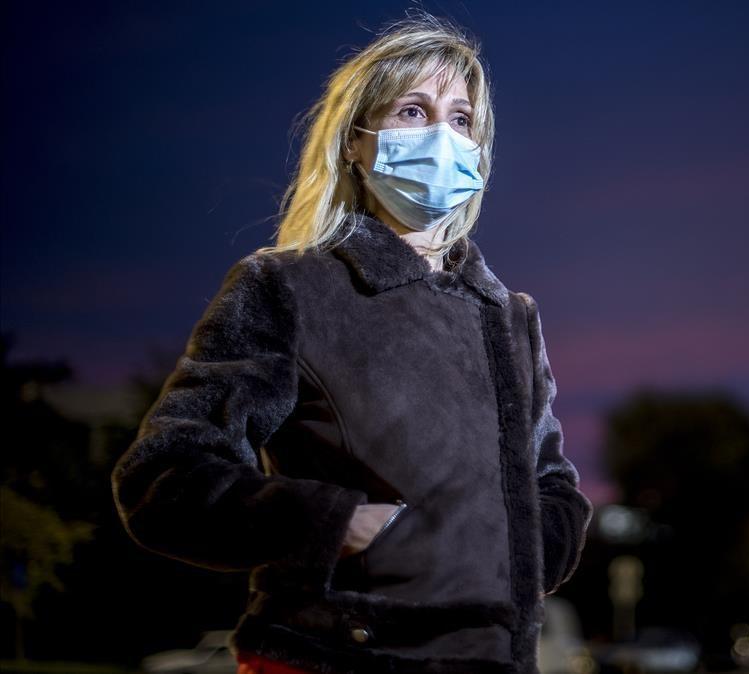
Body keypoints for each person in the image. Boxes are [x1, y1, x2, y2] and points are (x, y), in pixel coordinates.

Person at [110, 11, 593, 674]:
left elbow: (551, 482)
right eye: (413, 111)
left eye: (460, 120)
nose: (443, 138)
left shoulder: (509, 315)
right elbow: (164, 480)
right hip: (332, 655)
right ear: (355, 144)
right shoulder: (286, 286)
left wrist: (526, 555)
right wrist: (334, 523)